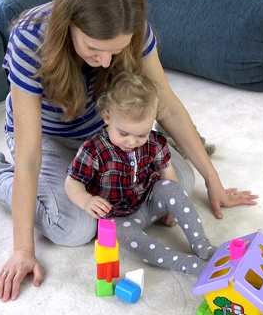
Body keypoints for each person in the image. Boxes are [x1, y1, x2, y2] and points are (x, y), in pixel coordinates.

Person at [0, 0, 258, 302]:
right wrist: (22, 248)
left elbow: (167, 107)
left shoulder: (134, 31)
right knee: (73, 228)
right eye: (94, 48)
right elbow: (30, 154)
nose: (106, 62)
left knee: (183, 180)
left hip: (109, 133)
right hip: (47, 138)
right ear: (70, 24)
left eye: (116, 51)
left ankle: (139, 194)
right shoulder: (30, 38)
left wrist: (213, 181)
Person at [66, 72, 216, 276]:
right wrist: (86, 201)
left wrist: (172, 207)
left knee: (173, 187)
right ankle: (183, 263)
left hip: (148, 202)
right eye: (124, 133)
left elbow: (167, 173)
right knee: (121, 234)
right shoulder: (93, 150)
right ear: (107, 116)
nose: (132, 142)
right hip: (116, 214)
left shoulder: (155, 142)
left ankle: (202, 244)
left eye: (141, 135)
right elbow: (72, 183)